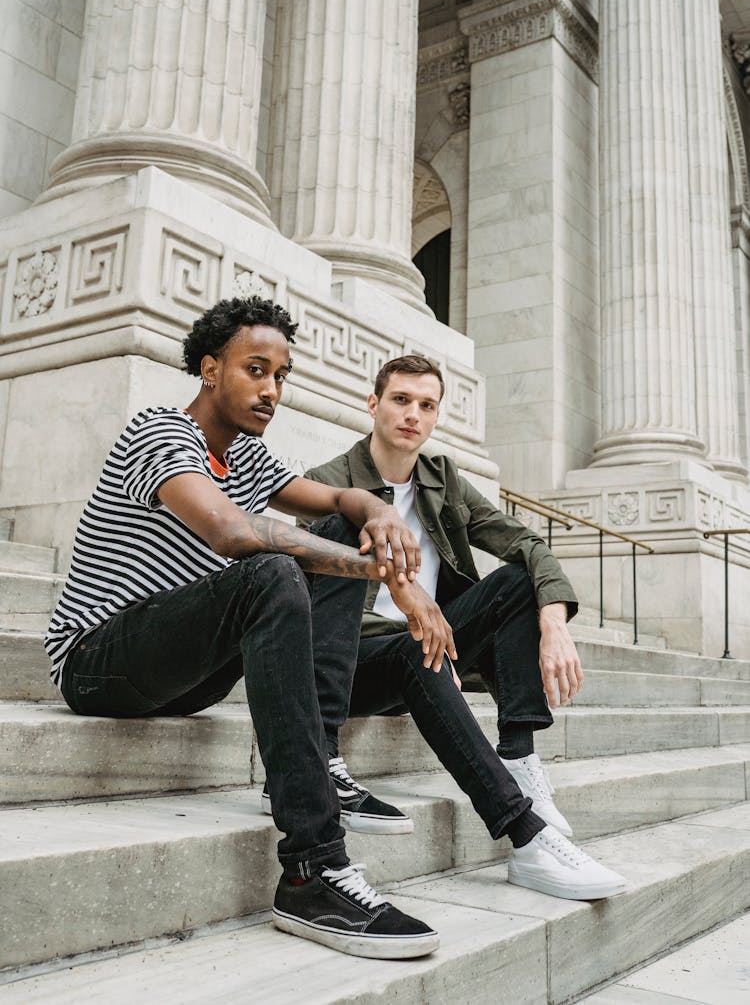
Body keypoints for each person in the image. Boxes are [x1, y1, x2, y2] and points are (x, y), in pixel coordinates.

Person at [45, 297, 455, 961]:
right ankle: (312, 869)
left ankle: (316, 756)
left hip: (180, 672)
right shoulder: (161, 432)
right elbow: (232, 533)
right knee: (271, 569)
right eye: (255, 369)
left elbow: (335, 500)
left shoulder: (250, 457)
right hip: (98, 660)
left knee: (330, 534)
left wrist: (375, 509)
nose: (271, 390)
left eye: (282, 375)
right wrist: (393, 582)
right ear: (210, 369)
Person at [300, 353, 625, 900]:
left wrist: (554, 621)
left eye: (427, 406)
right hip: (359, 665)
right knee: (417, 646)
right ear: (373, 403)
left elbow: (526, 542)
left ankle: (518, 754)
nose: (413, 415)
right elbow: (320, 607)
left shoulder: (442, 477)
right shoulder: (328, 485)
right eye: (401, 400)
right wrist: (417, 633)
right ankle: (526, 837)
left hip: (434, 644)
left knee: (520, 581)